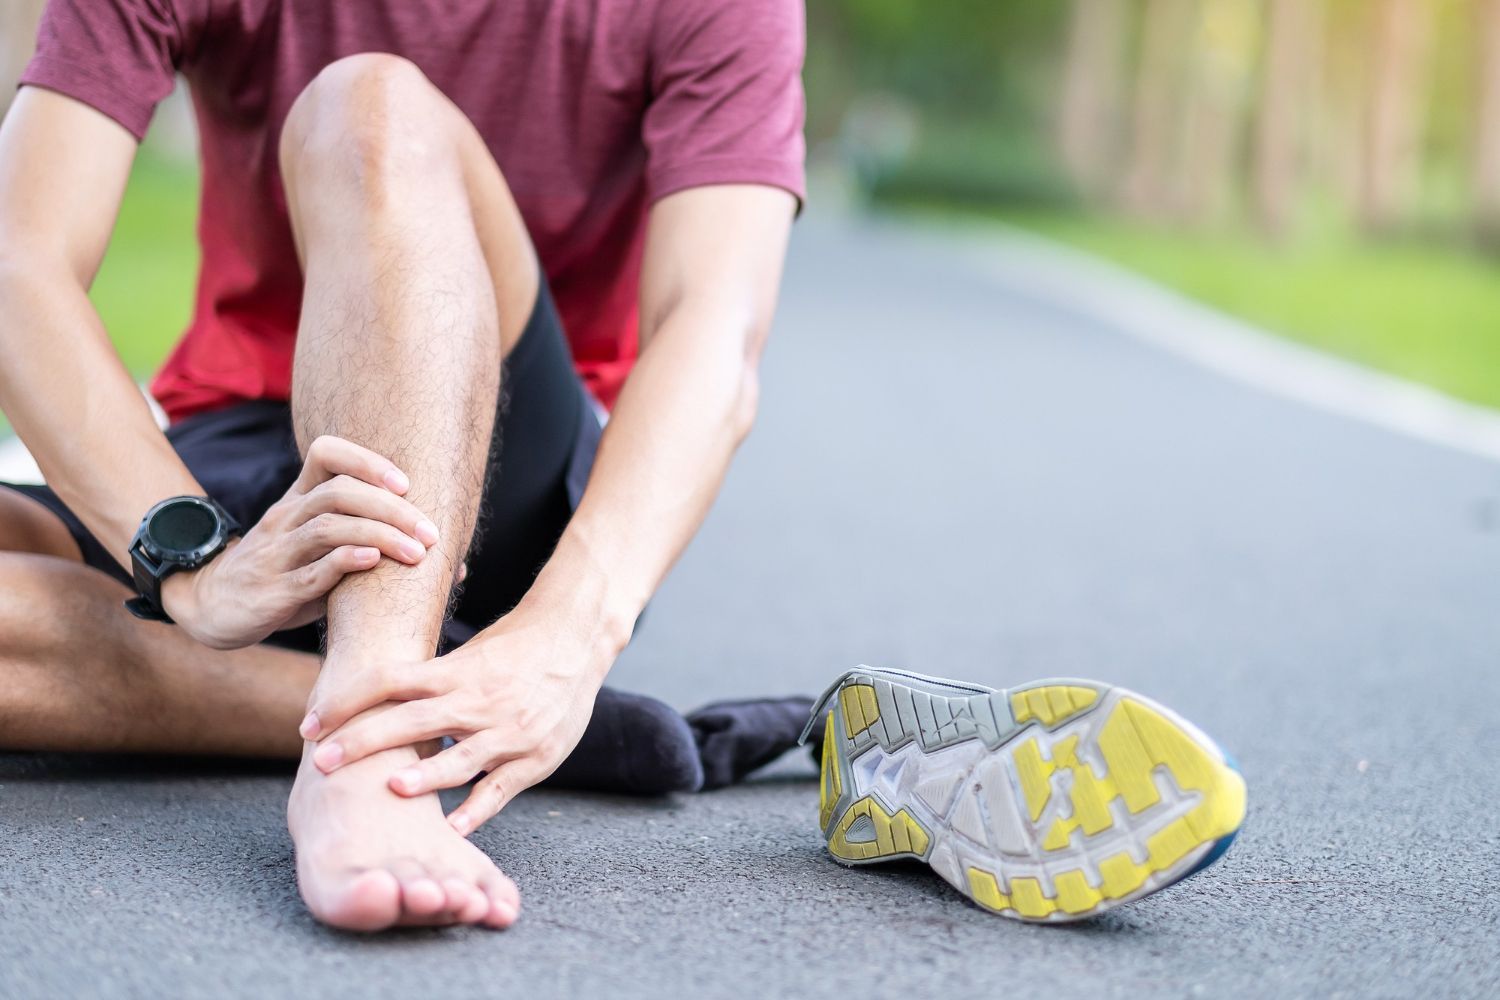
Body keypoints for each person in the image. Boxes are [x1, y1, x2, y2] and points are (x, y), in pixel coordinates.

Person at [0, 0, 812, 932]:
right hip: (246, 462)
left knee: (369, 107)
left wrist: (568, 636)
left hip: (503, 474)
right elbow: (20, 257)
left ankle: (367, 748)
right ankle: (433, 716)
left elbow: (711, 328)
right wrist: (191, 568)